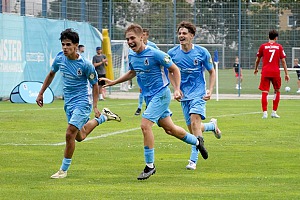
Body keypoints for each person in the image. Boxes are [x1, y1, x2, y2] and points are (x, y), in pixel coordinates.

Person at [100, 24, 208, 180]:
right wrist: (113, 82)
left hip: (161, 94)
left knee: (145, 125)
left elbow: (174, 69)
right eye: (127, 39)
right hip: (149, 97)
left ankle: (149, 166)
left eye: (133, 38)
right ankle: (197, 142)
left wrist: (177, 88)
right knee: (170, 129)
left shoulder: (155, 54)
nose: (130, 41)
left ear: (142, 37)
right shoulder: (132, 55)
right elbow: (132, 72)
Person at [36, 28, 121, 179]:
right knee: (79, 136)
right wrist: (41, 92)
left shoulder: (86, 64)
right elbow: (51, 74)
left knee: (69, 133)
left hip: (83, 101)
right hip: (69, 102)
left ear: (76, 46)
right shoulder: (59, 59)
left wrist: (95, 106)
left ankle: (63, 170)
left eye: (68, 44)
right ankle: (104, 118)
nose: (65, 48)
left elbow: (95, 85)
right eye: (63, 44)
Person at [168, 21, 221, 170]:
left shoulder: (202, 52)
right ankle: (212, 126)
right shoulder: (172, 53)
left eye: (184, 33)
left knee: (194, 122)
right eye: (179, 33)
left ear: (192, 36)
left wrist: (209, 90)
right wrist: (176, 89)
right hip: (184, 95)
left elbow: (211, 71)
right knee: (193, 128)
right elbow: (169, 72)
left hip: (198, 93)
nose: (181, 36)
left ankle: (193, 160)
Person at [254, 29, 290, 119]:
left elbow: (257, 59)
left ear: (268, 37)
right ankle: (274, 112)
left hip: (265, 72)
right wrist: (286, 73)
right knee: (277, 91)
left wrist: (256, 68)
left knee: (265, 92)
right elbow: (283, 61)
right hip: (275, 72)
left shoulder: (263, 46)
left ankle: (265, 113)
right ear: (276, 38)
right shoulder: (279, 47)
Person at [134, 28, 159, 116]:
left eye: (144, 35)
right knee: (142, 90)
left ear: (147, 36)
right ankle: (139, 107)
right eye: (141, 34)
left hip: (151, 74)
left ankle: (149, 107)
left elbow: (159, 57)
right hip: (141, 73)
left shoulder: (152, 46)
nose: (142, 36)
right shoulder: (136, 47)